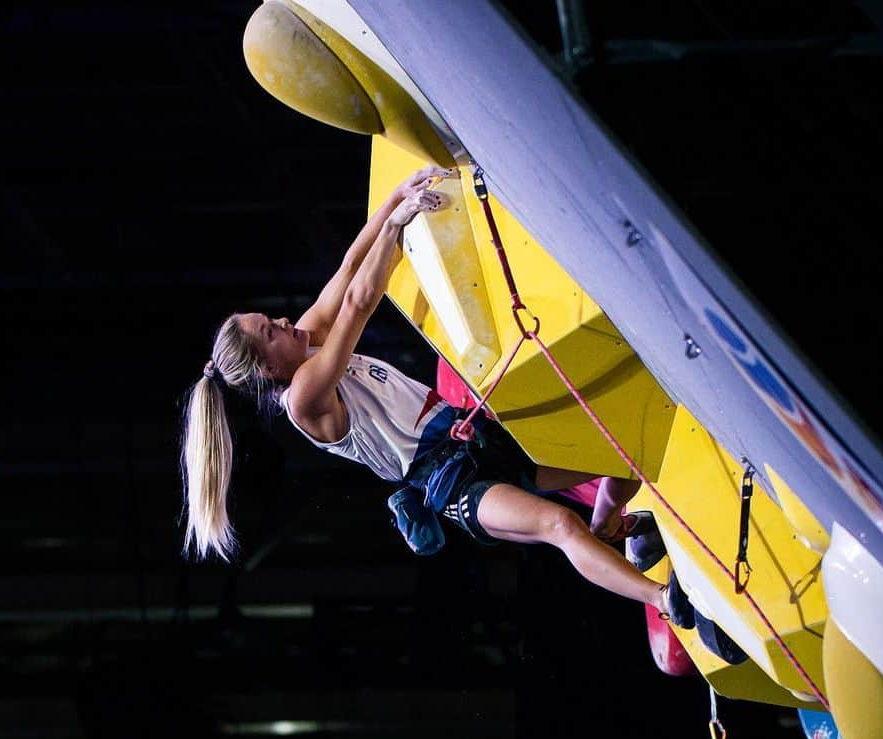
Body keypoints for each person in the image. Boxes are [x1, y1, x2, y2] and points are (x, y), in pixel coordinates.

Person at [179, 165, 685, 623]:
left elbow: (349, 266)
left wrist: (398, 194)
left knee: (623, 461)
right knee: (557, 524)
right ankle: (667, 602)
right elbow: (357, 302)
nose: (285, 321)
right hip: (451, 481)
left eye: (272, 318)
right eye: (271, 329)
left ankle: (612, 530)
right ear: (268, 368)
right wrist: (398, 224)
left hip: (476, 437)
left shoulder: (304, 343)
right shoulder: (303, 398)